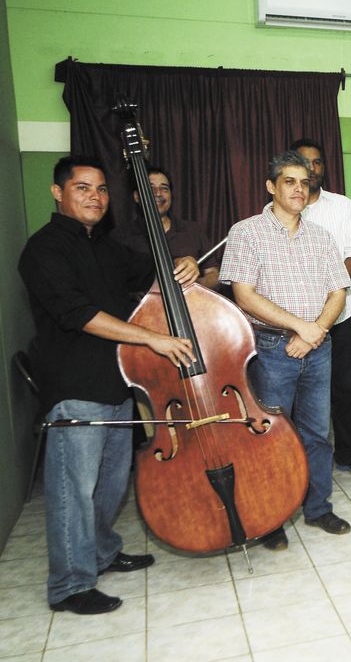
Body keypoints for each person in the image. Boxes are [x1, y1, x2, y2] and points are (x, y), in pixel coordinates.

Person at [19, 156, 198, 615]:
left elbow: (150, 271)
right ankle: (69, 585)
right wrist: (154, 339)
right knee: (73, 490)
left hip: (119, 382)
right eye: (82, 188)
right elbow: (77, 314)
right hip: (75, 385)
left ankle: (100, 553)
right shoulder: (43, 250)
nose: (95, 197)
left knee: (111, 482)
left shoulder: (105, 245)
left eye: (100, 189)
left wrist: (185, 262)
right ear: (58, 193)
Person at [220, 150, 351, 552]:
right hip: (271, 348)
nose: (299, 188)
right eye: (289, 181)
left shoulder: (321, 237)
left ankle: (318, 507)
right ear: (271, 187)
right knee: (272, 436)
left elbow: (338, 291)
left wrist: (316, 332)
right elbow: (243, 294)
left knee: (317, 433)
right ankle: (272, 518)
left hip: (318, 347)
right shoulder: (245, 232)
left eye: (304, 181)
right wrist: (300, 327)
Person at [289, 138, 351, 476]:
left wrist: (329, 293)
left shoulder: (342, 206)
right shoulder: (283, 208)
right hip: (295, 319)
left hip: (339, 313)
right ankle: (296, 460)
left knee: (344, 389)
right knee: (296, 392)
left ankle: (348, 452)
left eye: (317, 162)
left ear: (323, 168)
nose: (311, 168)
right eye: (304, 162)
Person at [119, 166, 221, 288]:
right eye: (150, 188)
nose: (158, 193)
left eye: (164, 189)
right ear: (136, 196)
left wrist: (192, 286)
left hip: (192, 304)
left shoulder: (194, 230)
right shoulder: (120, 236)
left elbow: (214, 275)